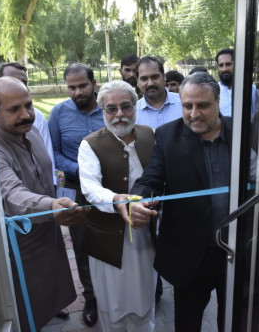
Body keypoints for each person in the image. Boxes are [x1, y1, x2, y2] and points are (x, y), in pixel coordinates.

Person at [117, 72, 231, 332]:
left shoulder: (241, 133)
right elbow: (150, 180)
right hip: (191, 254)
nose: (193, 114)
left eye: (202, 105)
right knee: (187, 323)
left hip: (234, 252)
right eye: (187, 106)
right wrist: (137, 200)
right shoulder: (168, 135)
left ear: (217, 101)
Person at [0, 76, 90, 331]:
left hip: (49, 231)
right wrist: (51, 206)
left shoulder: (30, 130)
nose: (26, 115)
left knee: (51, 292)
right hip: (21, 240)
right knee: (26, 302)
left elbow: (46, 171)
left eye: (29, 105)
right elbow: (11, 194)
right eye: (14, 109)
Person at [78, 80, 157, 332]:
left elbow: (158, 175)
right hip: (107, 237)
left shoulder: (149, 135)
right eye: (111, 109)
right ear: (102, 112)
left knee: (144, 292)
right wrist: (116, 200)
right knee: (112, 300)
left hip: (144, 234)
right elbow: (90, 188)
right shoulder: (89, 144)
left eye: (126, 107)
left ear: (136, 107)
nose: (120, 114)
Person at [48, 63, 105, 327]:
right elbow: (55, 152)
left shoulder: (108, 107)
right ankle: (91, 298)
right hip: (75, 187)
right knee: (81, 245)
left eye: (82, 85)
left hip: (109, 187)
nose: (77, 92)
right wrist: (79, 168)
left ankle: (117, 292)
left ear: (93, 83)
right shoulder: (59, 113)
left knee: (114, 238)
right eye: (71, 87)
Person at [0, 62, 56, 185]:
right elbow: (10, 190)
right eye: (13, 109)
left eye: (24, 82)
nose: (25, 116)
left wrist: (56, 189)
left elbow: (49, 160)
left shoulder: (36, 117)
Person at [215, 48, 259, 118]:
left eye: (228, 64)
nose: (224, 69)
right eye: (221, 65)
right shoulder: (214, 91)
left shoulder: (255, 93)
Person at [135, 56, 182, 129]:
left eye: (155, 77)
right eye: (144, 79)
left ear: (164, 77)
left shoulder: (183, 103)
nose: (150, 83)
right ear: (138, 81)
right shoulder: (133, 112)